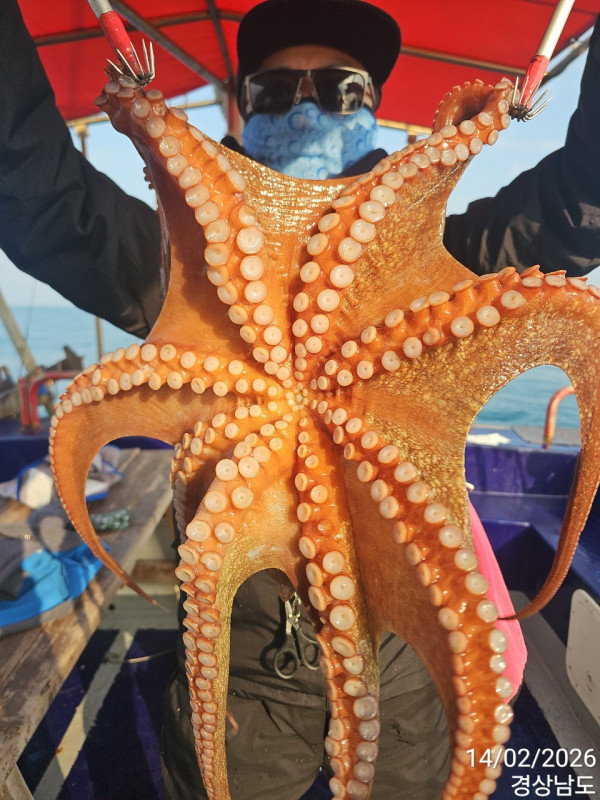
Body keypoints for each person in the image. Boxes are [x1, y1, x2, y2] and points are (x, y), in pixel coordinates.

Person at [1, 1, 599, 798]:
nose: (307, 108)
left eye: (341, 88)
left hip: (406, 654)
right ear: (243, 112)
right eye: (276, 91)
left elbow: (577, 206)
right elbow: (41, 198)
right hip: (241, 672)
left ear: (373, 106)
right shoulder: (186, 276)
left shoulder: (440, 269)